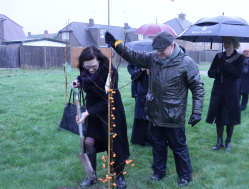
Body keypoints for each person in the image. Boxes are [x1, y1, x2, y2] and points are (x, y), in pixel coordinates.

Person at [105, 31, 205, 186]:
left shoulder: (186, 63)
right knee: (157, 146)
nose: (158, 53)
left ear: (172, 46)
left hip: (174, 115)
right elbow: (134, 56)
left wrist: (197, 111)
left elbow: (198, 87)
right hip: (154, 114)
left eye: (161, 50)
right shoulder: (153, 58)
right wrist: (117, 45)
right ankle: (158, 172)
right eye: (156, 50)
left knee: (179, 147)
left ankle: (185, 175)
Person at [73, 46, 129, 189]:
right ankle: (91, 176)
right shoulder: (85, 69)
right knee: (89, 142)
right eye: (87, 67)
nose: (90, 70)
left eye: (94, 66)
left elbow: (107, 99)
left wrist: (87, 113)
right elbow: (84, 77)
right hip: (93, 112)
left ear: (99, 60)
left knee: (113, 144)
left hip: (110, 111)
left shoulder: (110, 72)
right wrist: (78, 80)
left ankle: (119, 176)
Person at [206, 36, 244, 151]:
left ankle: (228, 142)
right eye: (225, 43)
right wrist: (218, 71)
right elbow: (210, 73)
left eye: (229, 43)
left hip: (231, 91)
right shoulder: (218, 57)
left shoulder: (240, 58)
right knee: (219, 116)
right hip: (218, 90)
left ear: (234, 44)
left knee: (230, 117)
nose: (226, 45)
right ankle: (219, 142)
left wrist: (227, 66)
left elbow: (238, 74)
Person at [127, 63, 153, 146]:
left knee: (151, 116)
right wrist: (141, 70)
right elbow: (134, 77)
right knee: (141, 116)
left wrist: (150, 72)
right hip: (141, 93)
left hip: (153, 94)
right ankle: (140, 140)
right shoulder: (139, 63)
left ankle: (151, 139)